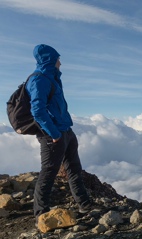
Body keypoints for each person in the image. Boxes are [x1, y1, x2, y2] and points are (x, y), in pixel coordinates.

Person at [25, 44, 93, 221]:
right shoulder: (39, 80)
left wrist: (64, 131)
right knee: (49, 171)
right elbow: (37, 111)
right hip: (53, 135)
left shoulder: (52, 78)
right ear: (50, 59)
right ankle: (42, 214)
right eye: (58, 59)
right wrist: (54, 133)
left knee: (74, 169)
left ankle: (84, 204)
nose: (60, 63)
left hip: (66, 131)